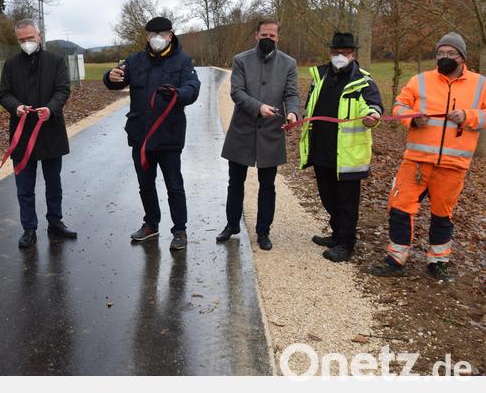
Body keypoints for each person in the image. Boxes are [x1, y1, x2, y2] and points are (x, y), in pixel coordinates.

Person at [370, 32, 486, 282]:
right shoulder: (419, 81)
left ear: (462, 57)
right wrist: (411, 118)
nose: (445, 57)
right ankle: (396, 259)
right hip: (417, 162)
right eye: (440, 53)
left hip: (454, 165)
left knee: (442, 215)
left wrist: (468, 116)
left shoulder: (480, 84)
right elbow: (399, 106)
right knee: (400, 209)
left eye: (450, 53)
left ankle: (438, 261)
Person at [103, 16, 201, 251]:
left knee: (174, 185)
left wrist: (178, 93)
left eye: (162, 35)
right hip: (141, 134)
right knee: (145, 184)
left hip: (169, 135)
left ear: (170, 35)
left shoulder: (183, 61)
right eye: (152, 35)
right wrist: (110, 76)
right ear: (147, 37)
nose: (157, 39)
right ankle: (151, 224)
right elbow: (117, 79)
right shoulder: (135, 60)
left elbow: (193, 88)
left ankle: (180, 229)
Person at [298, 32, 383, 262]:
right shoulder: (320, 75)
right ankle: (336, 234)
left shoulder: (364, 81)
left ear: (352, 54)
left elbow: (373, 106)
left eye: (344, 53)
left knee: (346, 201)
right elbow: (311, 103)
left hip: (348, 154)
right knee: (327, 196)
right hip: (321, 148)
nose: (339, 57)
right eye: (335, 53)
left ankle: (346, 243)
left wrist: (372, 116)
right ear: (330, 53)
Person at [216, 18, 300, 250]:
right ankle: (232, 224)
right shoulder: (241, 60)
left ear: (278, 38)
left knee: (268, 185)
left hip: (271, 132)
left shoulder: (288, 63)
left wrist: (292, 113)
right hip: (242, 130)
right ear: (256, 35)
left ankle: (264, 231)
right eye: (264, 35)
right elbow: (237, 92)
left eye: (272, 36)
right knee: (235, 182)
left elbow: (292, 94)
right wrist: (258, 107)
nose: (268, 39)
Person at [0, 19, 77, 249]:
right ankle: (29, 228)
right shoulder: (11, 64)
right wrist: (16, 107)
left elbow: (63, 89)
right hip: (22, 134)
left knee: (54, 182)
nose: (26, 43)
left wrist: (50, 109)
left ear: (39, 36)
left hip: (50, 130)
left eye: (30, 38)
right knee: (24, 186)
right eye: (21, 40)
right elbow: (4, 94)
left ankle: (55, 221)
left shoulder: (56, 61)